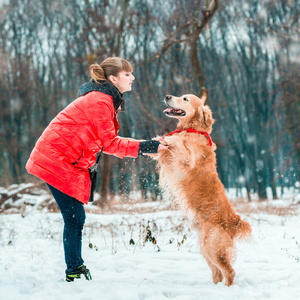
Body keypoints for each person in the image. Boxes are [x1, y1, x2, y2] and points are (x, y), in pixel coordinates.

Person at [25, 57, 167, 282]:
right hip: (56, 160)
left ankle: (75, 267)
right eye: (127, 74)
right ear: (113, 78)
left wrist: (144, 148)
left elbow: (97, 141)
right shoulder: (100, 101)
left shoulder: (104, 99)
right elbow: (109, 143)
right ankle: (75, 269)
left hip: (66, 160)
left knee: (75, 217)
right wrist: (146, 146)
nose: (133, 78)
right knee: (74, 217)